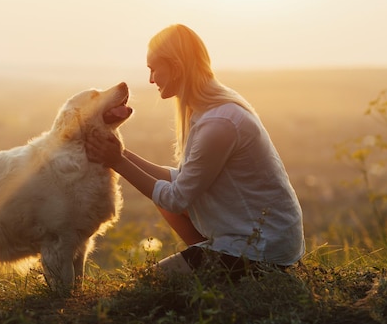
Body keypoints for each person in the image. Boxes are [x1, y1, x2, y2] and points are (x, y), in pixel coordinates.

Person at [85, 23, 305, 280]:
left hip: (261, 250)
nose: (151, 79)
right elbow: (181, 181)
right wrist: (119, 154)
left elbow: (176, 198)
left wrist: (119, 162)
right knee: (162, 196)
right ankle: (205, 261)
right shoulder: (208, 110)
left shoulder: (218, 124)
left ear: (176, 67)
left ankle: (221, 272)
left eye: (154, 69)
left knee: (149, 283)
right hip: (256, 237)